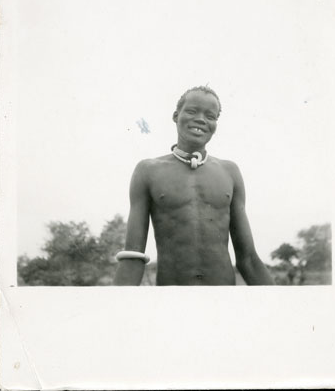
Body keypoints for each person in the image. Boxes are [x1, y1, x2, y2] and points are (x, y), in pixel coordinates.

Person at [114, 86, 274, 286]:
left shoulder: (230, 172)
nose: (201, 119)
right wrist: (117, 308)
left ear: (216, 124)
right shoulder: (148, 171)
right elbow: (133, 256)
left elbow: (248, 259)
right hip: (171, 300)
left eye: (210, 115)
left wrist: (279, 307)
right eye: (192, 111)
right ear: (175, 116)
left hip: (224, 300)